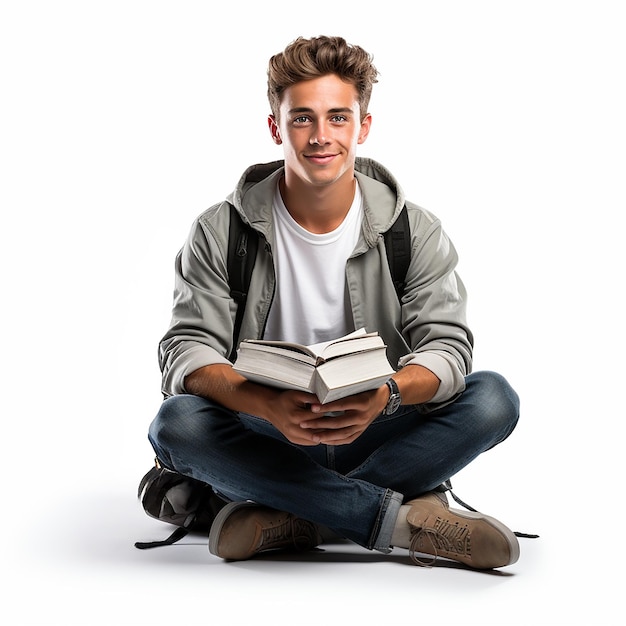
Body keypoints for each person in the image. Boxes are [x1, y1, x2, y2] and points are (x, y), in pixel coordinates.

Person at [147, 35, 522, 570]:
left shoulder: (412, 228)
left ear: (363, 125)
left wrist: (387, 395)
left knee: (493, 399)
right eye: (302, 119)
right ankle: (397, 521)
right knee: (176, 424)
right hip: (266, 430)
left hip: (374, 425)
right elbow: (186, 350)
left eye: (338, 118)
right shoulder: (219, 229)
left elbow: (447, 346)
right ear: (276, 127)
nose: (321, 137)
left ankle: (291, 513)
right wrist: (264, 402)